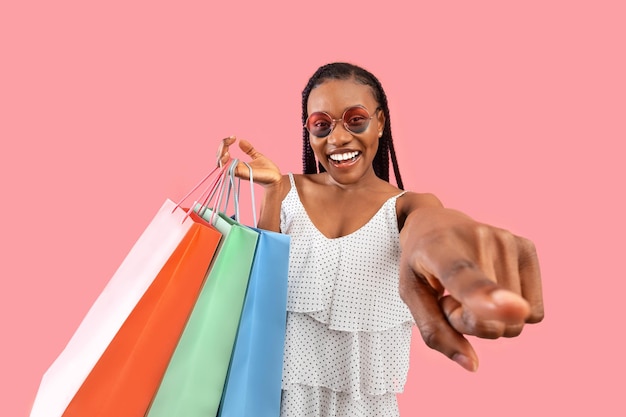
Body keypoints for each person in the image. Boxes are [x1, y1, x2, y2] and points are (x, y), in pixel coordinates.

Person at [217, 62, 544, 417]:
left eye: (355, 120)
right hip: (272, 403)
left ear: (381, 122)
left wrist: (448, 240)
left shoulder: (404, 206)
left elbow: (429, 225)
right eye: (321, 125)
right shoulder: (285, 191)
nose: (338, 138)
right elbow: (261, 301)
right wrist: (272, 189)